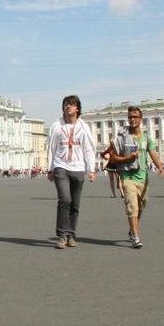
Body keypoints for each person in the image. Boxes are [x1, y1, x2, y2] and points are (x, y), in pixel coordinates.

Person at [46, 95, 97, 249]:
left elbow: (88, 149)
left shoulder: (83, 127)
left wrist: (92, 169)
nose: (68, 106)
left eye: (71, 104)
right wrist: (50, 168)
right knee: (65, 199)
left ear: (78, 108)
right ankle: (61, 235)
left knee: (75, 204)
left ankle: (71, 234)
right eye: (66, 104)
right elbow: (51, 148)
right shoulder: (56, 126)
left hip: (78, 168)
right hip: (61, 166)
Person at [110, 106, 164, 249]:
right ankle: (135, 236)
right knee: (132, 206)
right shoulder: (122, 137)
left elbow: (152, 153)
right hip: (128, 176)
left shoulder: (146, 137)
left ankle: (132, 229)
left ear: (141, 119)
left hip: (143, 178)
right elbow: (114, 158)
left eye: (135, 117)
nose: (132, 119)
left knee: (141, 206)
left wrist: (159, 166)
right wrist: (127, 158)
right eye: (130, 117)